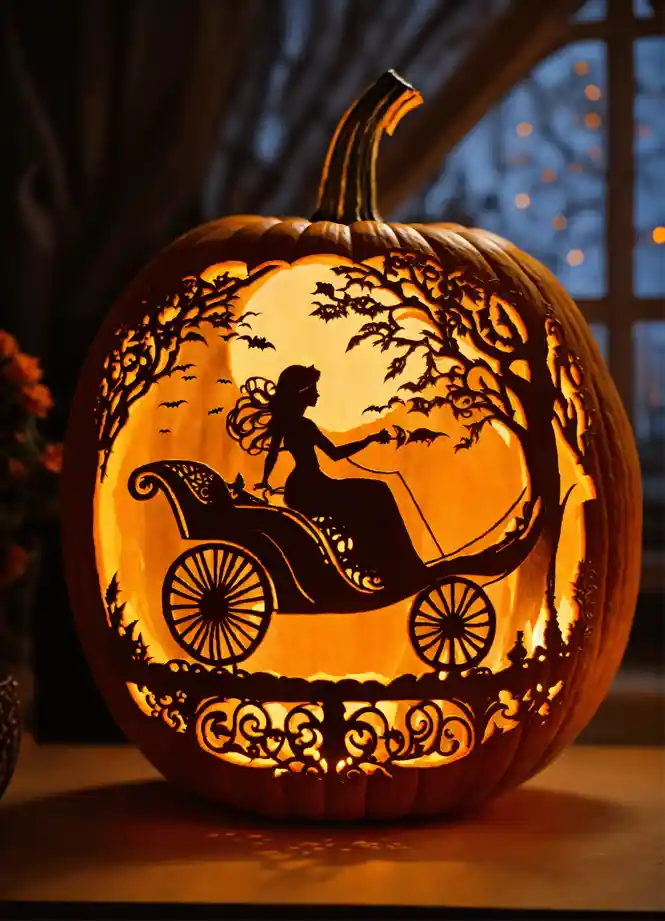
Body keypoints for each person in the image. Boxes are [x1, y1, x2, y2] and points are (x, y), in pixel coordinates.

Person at [227, 364, 423, 582]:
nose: (318, 394)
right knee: (377, 492)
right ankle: (389, 562)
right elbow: (335, 454)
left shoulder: (289, 424)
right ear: (301, 393)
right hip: (312, 489)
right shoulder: (303, 425)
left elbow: (273, 454)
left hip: (304, 487)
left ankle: (383, 561)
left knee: (374, 493)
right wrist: (369, 440)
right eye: (314, 389)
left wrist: (265, 480)